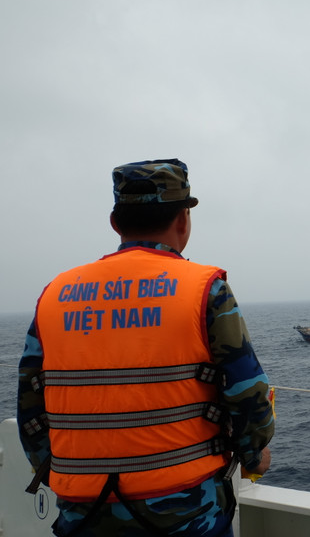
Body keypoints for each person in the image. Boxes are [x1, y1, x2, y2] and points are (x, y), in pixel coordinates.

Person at [17, 158, 275, 536]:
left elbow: (30, 409)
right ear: (183, 220)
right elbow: (247, 395)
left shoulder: (55, 294)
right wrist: (255, 455)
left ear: (115, 223)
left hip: (83, 516)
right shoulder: (205, 289)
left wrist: (67, 479)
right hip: (188, 514)